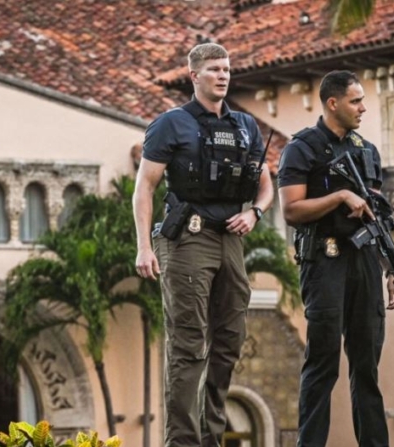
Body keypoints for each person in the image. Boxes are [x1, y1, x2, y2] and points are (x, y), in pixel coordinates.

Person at [133, 43, 273, 447]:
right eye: (214, 69)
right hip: (188, 239)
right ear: (194, 76)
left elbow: (266, 185)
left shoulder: (246, 126)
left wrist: (256, 213)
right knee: (189, 344)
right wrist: (145, 246)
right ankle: (182, 441)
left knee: (229, 342)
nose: (223, 76)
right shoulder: (170, 124)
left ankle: (211, 437)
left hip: (231, 239)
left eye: (227, 69)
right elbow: (144, 186)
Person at [277, 70, 394, 447]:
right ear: (333, 103)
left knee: (366, 368)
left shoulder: (367, 151)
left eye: (363, 100)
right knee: (323, 364)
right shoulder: (302, 148)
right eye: (355, 100)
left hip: (364, 260)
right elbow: (291, 211)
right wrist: (338, 197)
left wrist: (390, 269)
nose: (363, 108)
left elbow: (375, 217)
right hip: (324, 260)